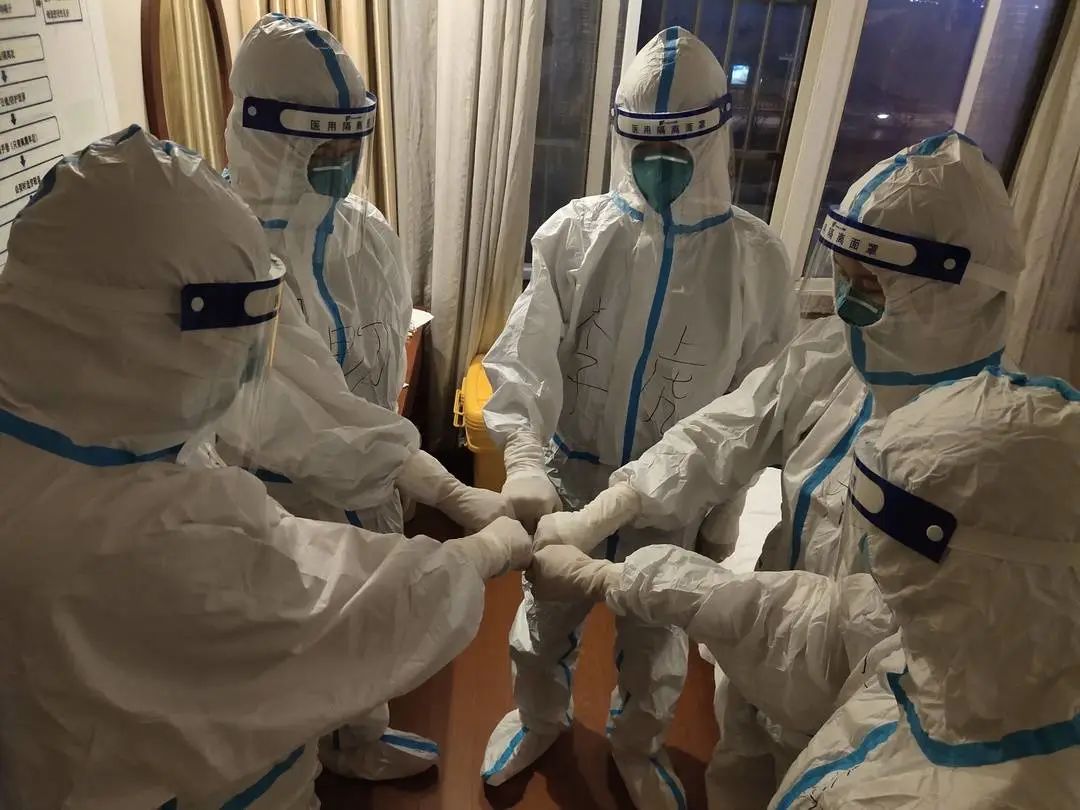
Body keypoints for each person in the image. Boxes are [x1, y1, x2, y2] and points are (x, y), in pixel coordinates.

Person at [0, 126, 532, 810]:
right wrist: (480, 555)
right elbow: (331, 606)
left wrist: (444, 492)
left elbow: (306, 396)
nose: (242, 367)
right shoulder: (148, 527)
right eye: (231, 341)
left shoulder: (87, 424)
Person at [533, 130, 1026, 766]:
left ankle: (638, 752)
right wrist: (612, 505)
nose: (847, 301)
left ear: (953, 296)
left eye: (873, 285)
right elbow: (726, 431)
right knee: (738, 766)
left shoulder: (994, 452)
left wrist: (616, 577)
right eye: (844, 275)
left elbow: (859, 627)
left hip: (864, 709)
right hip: (763, 655)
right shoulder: (836, 360)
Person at [481, 26, 797, 807]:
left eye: (678, 149)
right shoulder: (575, 234)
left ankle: (637, 745)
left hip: (673, 502)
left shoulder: (755, 260)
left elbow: (756, 405)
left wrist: (723, 516)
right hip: (572, 481)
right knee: (544, 622)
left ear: (713, 143)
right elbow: (527, 346)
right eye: (645, 148)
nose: (660, 165)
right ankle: (539, 720)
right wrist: (523, 454)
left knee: (655, 642)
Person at [529, 367, 1080, 808]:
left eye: (890, 543)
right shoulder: (949, 650)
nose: (878, 567)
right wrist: (612, 571)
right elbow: (819, 628)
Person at [223, 13, 512, 779]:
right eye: (321, 151)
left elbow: (380, 358)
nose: (340, 166)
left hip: (379, 472)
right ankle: (303, 761)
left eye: (351, 147)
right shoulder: (227, 255)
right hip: (281, 496)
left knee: (363, 623)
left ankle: (358, 739)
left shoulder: (366, 228)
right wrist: (445, 489)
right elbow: (289, 419)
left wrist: (401, 468)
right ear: (264, 135)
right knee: (297, 634)